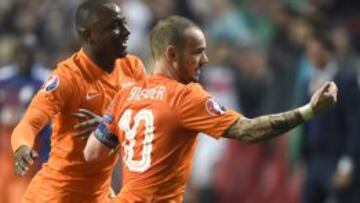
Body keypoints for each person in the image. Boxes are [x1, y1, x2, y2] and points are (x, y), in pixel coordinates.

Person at [83, 16, 337, 203]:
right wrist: (309, 111)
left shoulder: (125, 95)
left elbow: (93, 153)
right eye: (197, 53)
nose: (205, 60)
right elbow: (249, 131)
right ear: (172, 54)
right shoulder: (186, 97)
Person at [10, 0, 146, 202]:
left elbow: (148, 125)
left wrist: (110, 127)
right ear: (88, 35)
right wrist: (22, 146)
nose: (126, 32)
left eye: (123, 23)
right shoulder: (67, 78)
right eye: (114, 27)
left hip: (98, 192)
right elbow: (30, 122)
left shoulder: (133, 69)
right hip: (56, 194)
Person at [299, 33, 360, 203]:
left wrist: (347, 164)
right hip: (314, 160)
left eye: (316, 51)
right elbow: (306, 124)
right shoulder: (309, 83)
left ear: (328, 52)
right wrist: (304, 159)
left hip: (335, 157)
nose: (312, 56)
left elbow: (354, 125)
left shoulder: (345, 80)